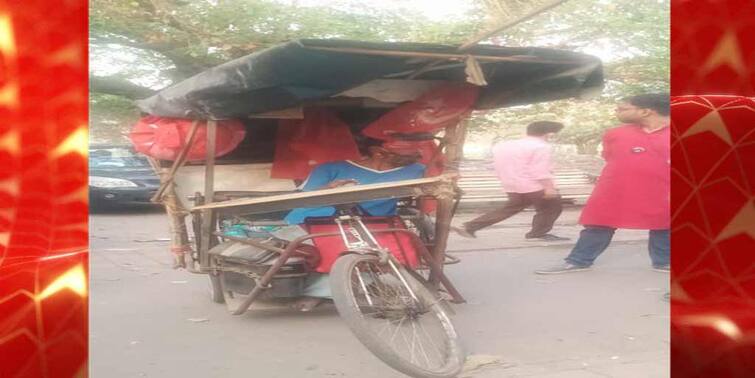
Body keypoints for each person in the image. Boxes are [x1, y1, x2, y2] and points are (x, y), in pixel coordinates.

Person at [281, 136, 425, 311]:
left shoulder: (416, 170)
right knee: (326, 247)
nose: (410, 160)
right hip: (317, 219)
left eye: (414, 156)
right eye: (404, 156)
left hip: (374, 222)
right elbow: (300, 198)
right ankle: (320, 292)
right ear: (377, 152)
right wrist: (329, 189)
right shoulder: (330, 169)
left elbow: (439, 179)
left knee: (385, 247)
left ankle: (338, 289)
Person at [535, 93, 670, 274]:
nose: (617, 111)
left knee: (664, 224)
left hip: (663, 189)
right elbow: (610, 157)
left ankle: (664, 262)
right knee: (599, 223)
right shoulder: (616, 134)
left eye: (623, 108)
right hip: (615, 189)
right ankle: (578, 261)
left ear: (646, 111)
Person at [454, 121, 568, 241]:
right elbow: (539, 169)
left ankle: (470, 226)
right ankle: (537, 234)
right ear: (549, 134)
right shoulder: (541, 147)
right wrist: (549, 188)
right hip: (534, 185)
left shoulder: (505, 145)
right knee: (551, 208)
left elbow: (497, 165)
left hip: (511, 184)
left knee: (510, 209)